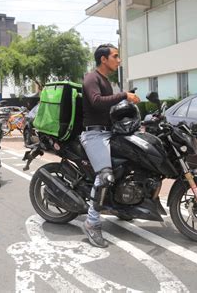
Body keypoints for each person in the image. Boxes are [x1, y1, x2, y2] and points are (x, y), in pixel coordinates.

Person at [80, 44, 140, 248]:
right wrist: (123, 95)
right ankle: (92, 222)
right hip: (94, 134)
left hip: (108, 132)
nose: (119, 60)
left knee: (130, 162)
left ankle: (122, 205)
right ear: (103, 59)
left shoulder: (106, 81)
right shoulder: (91, 78)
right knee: (105, 177)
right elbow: (97, 102)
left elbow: (111, 106)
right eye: (115, 56)